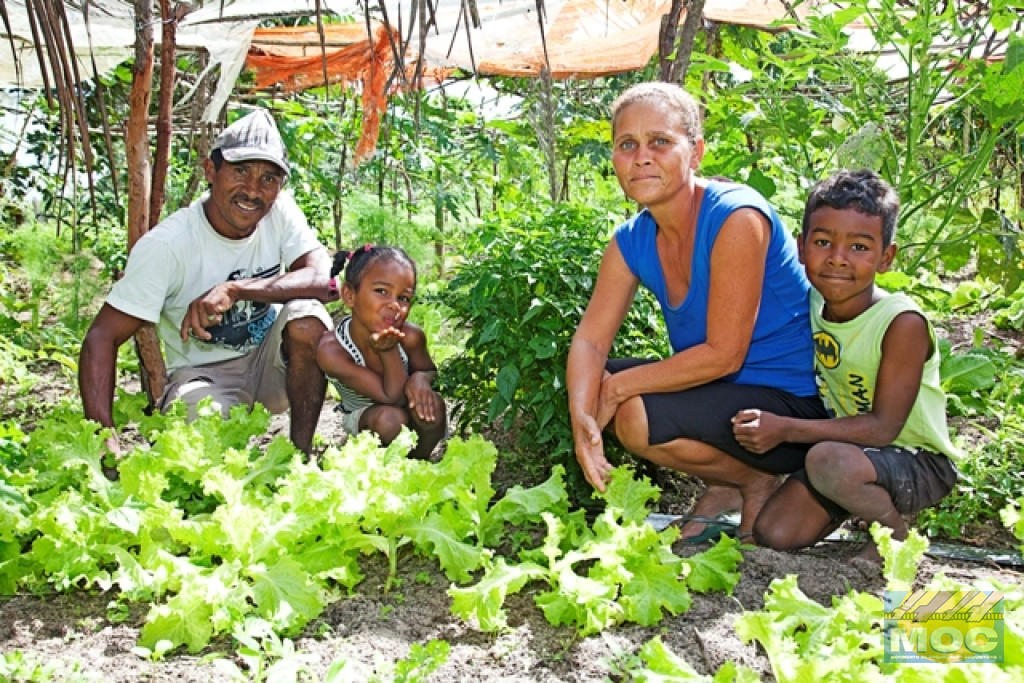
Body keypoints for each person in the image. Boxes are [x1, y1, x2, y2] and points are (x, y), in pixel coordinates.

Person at [567, 82, 827, 542]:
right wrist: (582, 419)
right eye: (627, 145)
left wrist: (617, 389)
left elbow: (725, 354)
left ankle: (753, 480)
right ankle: (728, 484)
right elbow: (589, 340)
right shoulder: (631, 240)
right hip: (724, 393)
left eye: (660, 142)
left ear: (696, 152)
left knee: (632, 411)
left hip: (788, 411)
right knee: (588, 380)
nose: (642, 157)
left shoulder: (735, 218)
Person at [79, 108, 336, 462]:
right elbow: (101, 337)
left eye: (269, 179)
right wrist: (102, 435)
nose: (253, 190)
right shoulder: (168, 245)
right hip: (204, 378)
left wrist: (237, 289)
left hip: (270, 368)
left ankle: (299, 457)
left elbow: (324, 280)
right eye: (240, 171)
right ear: (211, 171)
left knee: (309, 316)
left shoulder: (280, 211)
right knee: (200, 432)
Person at [732, 169, 960, 561]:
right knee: (775, 532)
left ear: (886, 257)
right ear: (802, 248)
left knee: (826, 459)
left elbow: (884, 427)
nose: (837, 259)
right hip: (852, 456)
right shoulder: (816, 304)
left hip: (917, 462)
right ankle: (862, 500)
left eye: (859, 247)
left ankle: (894, 535)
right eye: (823, 242)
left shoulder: (901, 323)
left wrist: (784, 428)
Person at [316, 245, 446, 460]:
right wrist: (388, 350)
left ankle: (419, 463)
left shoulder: (411, 337)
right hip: (368, 417)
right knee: (390, 420)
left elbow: (428, 369)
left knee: (433, 407)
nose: (394, 305)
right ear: (349, 295)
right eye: (381, 291)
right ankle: (382, 466)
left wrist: (420, 379)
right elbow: (391, 397)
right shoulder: (333, 350)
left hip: (408, 409)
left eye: (404, 298)